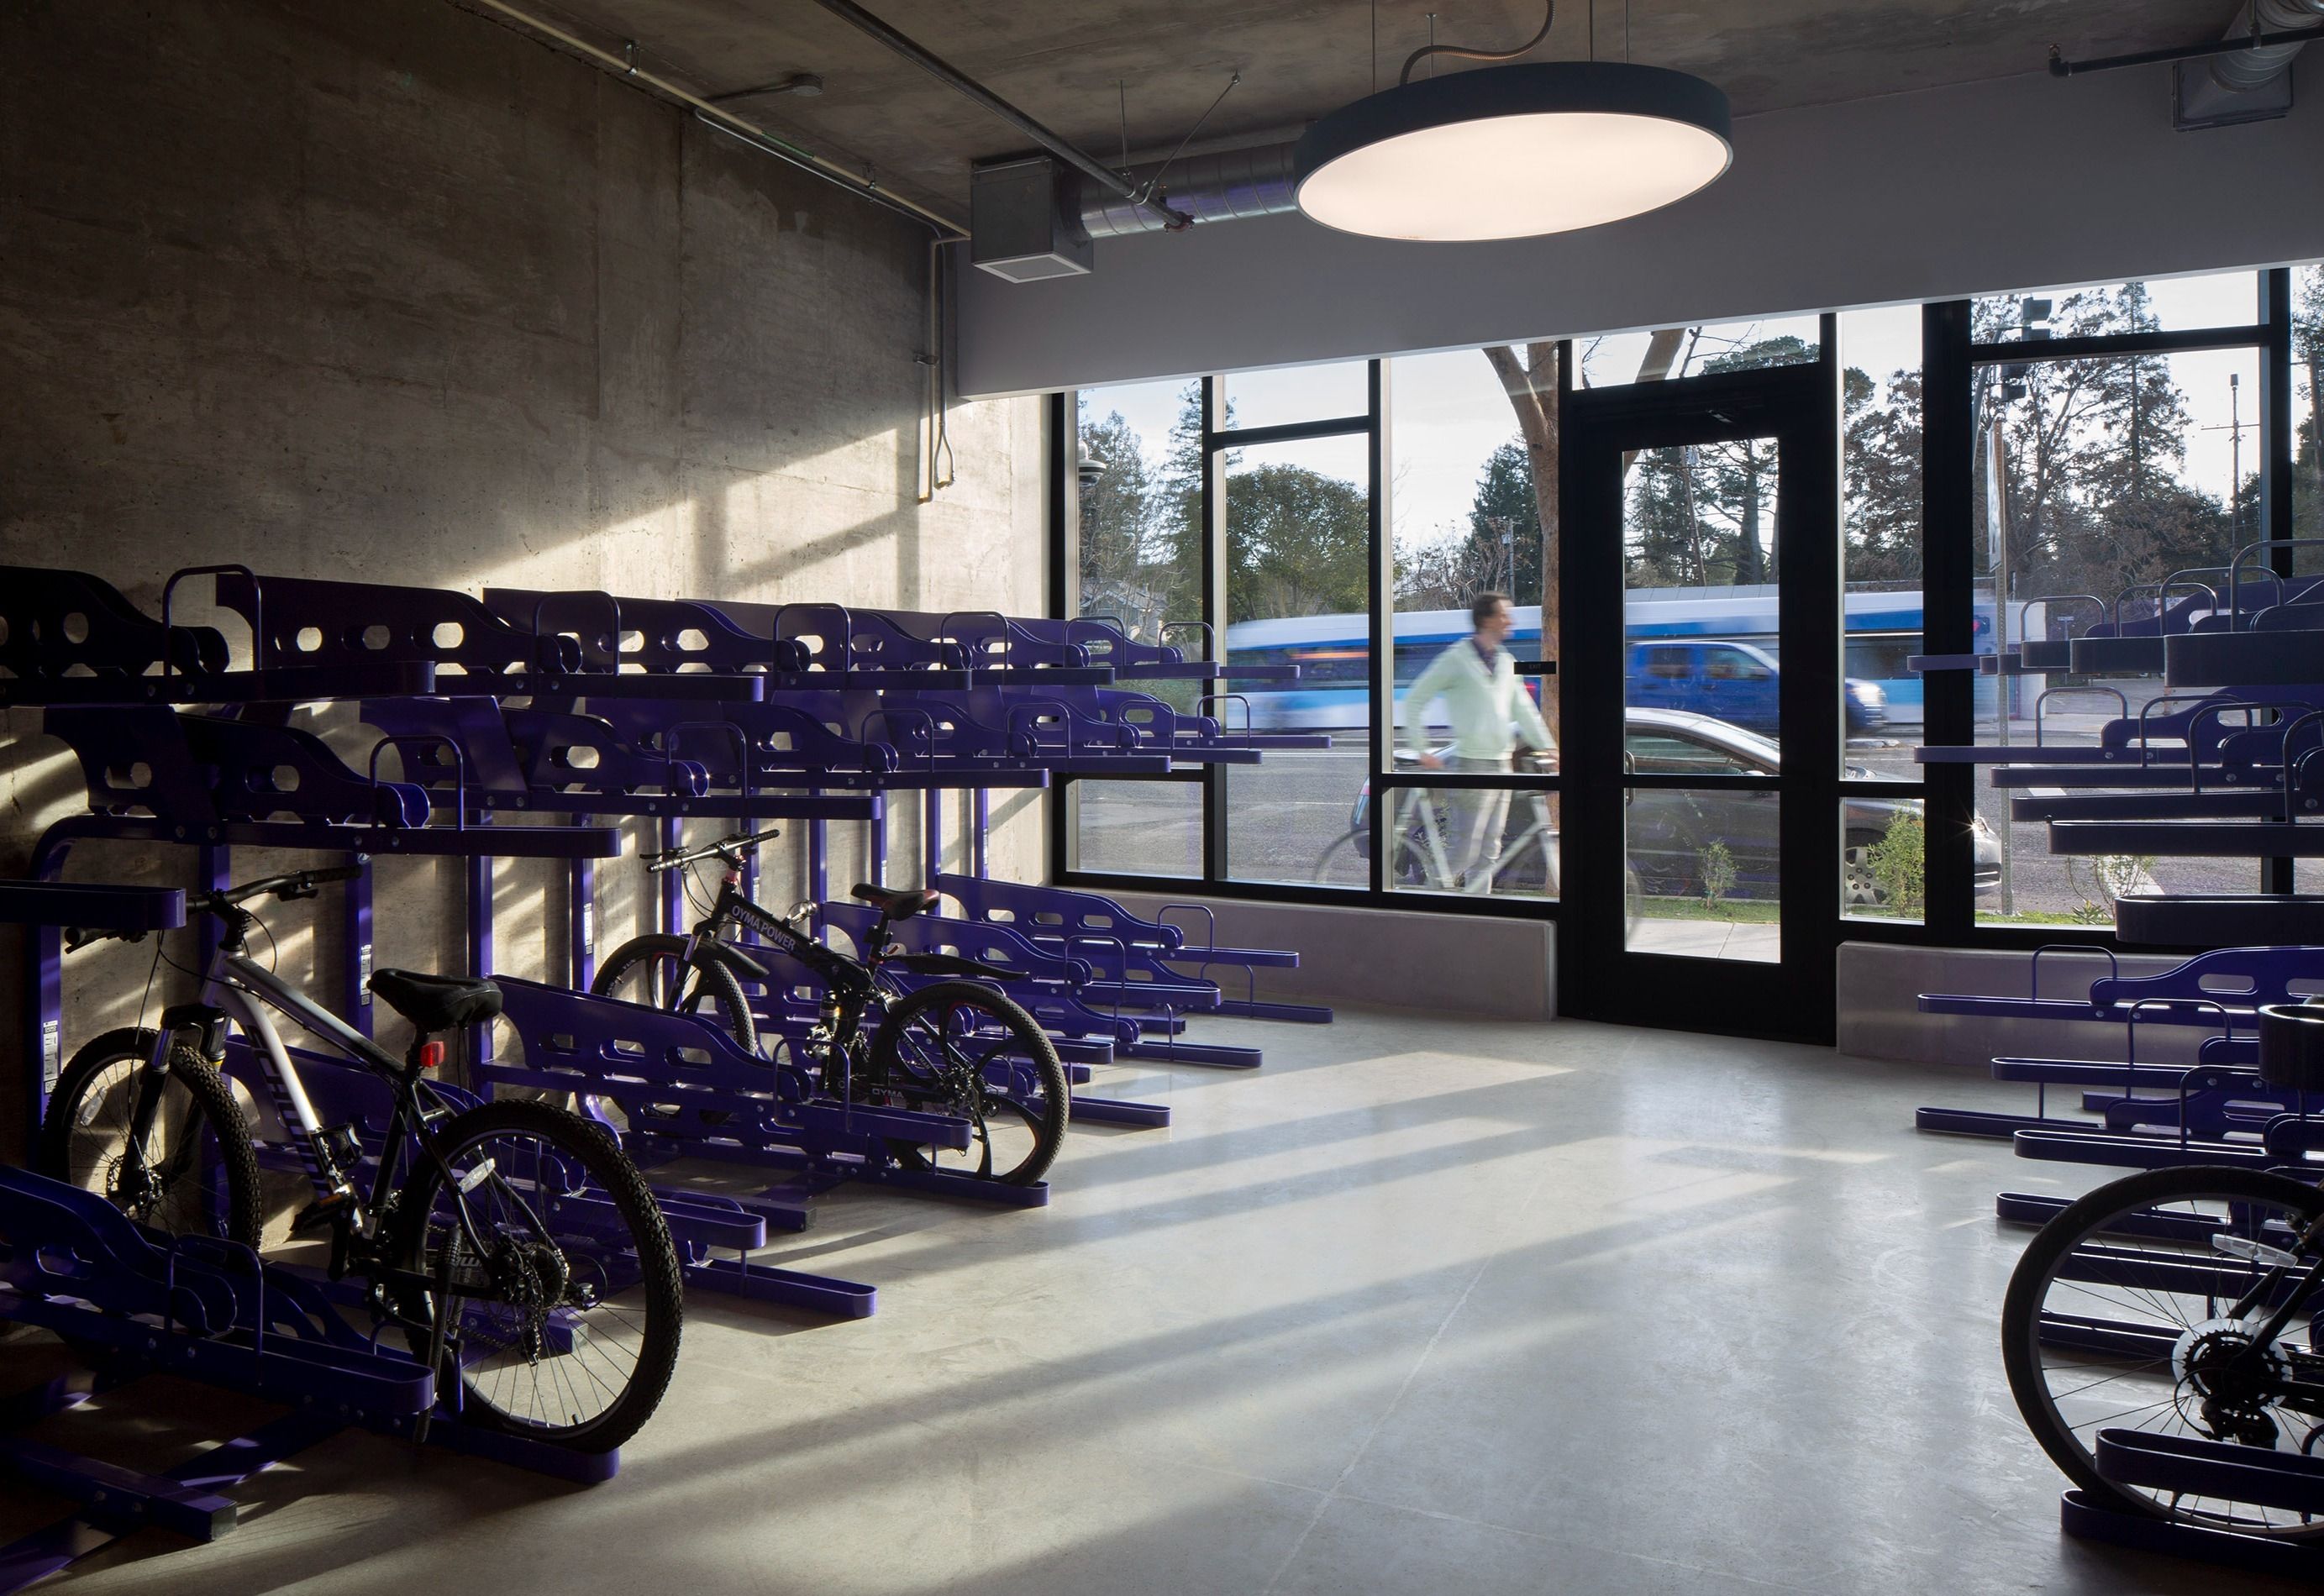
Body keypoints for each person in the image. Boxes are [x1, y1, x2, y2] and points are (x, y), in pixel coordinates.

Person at [1399, 591, 1555, 893]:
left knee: (1489, 852)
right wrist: (1421, 749)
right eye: (1504, 614)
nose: (1510, 620)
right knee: (1465, 852)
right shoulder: (1457, 659)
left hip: (1501, 764)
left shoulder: (1506, 662)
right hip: (1471, 764)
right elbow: (1415, 699)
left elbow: (1524, 711)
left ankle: (1476, 917)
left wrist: (1549, 747)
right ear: (1486, 619)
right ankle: (1426, 910)